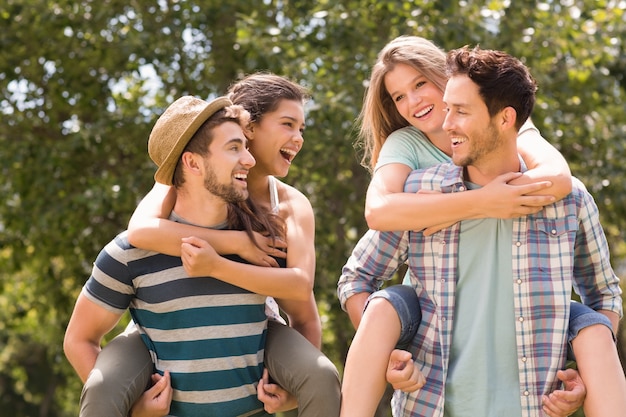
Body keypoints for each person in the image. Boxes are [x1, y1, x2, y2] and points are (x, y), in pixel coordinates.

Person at [339, 35, 626, 417]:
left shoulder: (566, 198)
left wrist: (581, 376)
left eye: (457, 109)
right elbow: (364, 256)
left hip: (528, 405)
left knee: (592, 328)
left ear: (505, 118)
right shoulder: (418, 187)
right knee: (386, 305)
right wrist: (392, 353)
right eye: (398, 97)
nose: (444, 120)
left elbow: (603, 293)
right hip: (430, 393)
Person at [75, 74, 340, 417]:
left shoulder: (288, 205)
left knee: (320, 374)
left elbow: (302, 296)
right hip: (166, 322)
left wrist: (293, 390)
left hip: (256, 323)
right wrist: (239, 243)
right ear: (250, 128)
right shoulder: (186, 184)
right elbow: (140, 232)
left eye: (302, 127)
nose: (299, 138)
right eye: (288, 124)